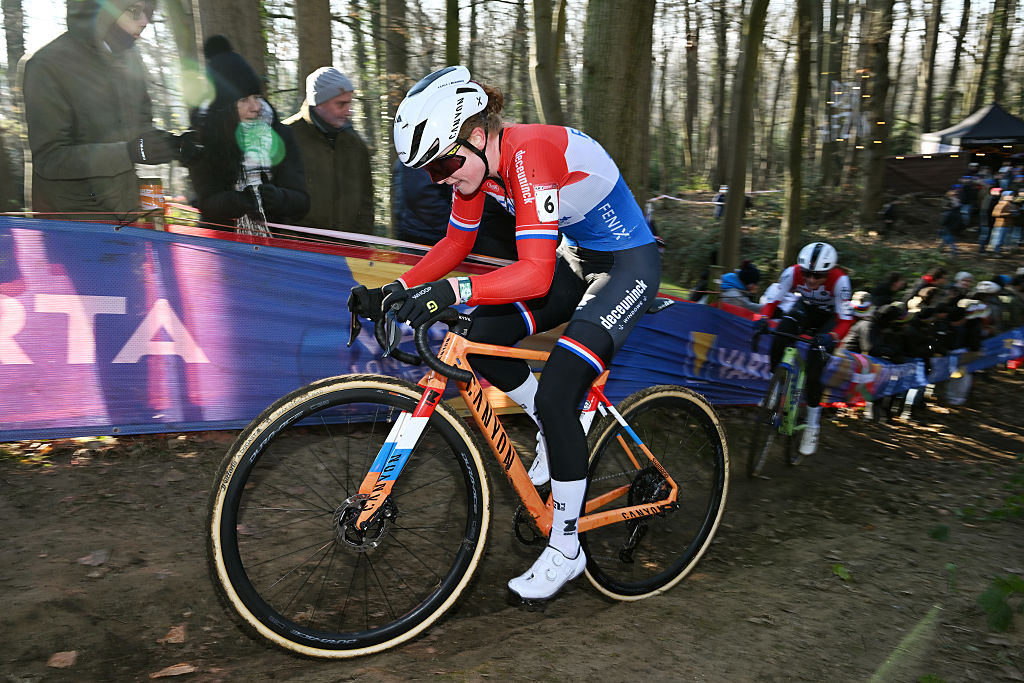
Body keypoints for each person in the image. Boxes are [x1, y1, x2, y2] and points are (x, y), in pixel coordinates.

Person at [349, 65, 661, 602]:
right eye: (430, 172)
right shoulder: (477, 168)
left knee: (563, 385)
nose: (442, 177)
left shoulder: (527, 154)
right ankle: (551, 424)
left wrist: (452, 292)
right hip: (577, 257)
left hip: (628, 263)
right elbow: (453, 244)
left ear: (475, 133)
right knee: (485, 339)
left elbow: (535, 275)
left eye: (444, 163)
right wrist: (394, 288)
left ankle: (566, 548)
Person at [18, 0, 180, 223]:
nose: (144, 22)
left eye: (148, 13)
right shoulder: (47, 64)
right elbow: (50, 159)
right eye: (134, 11)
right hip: (75, 226)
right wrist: (128, 152)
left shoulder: (131, 57)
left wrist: (171, 145)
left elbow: (140, 127)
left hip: (125, 215)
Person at [186, 36, 309, 235]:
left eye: (257, 97)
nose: (256, 107)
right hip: (221, 248)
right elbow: (206, 202)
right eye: (244, 100)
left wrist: (278, 198)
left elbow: (302, 202)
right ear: (224, 107)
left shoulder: (279, 133)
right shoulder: (203, 139)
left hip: (274, 247)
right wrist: (235, 202)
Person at [758, 242, 853, 457]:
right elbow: (773, 301)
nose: (811, 279)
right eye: (807, 274)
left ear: (828, 272)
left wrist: (832, 337)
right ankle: (775, 388)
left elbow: (846, 320)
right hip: (805, 309)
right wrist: (763, 318)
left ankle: (812, 426)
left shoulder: (840, 280)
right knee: (780, 335)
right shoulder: (791, 272)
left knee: (814, 368)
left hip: (829, 320)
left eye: (818, 276)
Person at [283, 67, 374, 236]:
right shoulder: (286, 137)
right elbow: (275, 200)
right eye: (341, 104)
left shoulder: (355, 144)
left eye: (349, 103)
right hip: (299, 253)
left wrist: (360, 243)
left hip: (347, 252)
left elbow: (366, 201)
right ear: (318, 103)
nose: (348, 111)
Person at [392, 159, 517, 259]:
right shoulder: (418, 157)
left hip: (443, 234)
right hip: (427, 240)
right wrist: (470, 231)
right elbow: (426, 203)